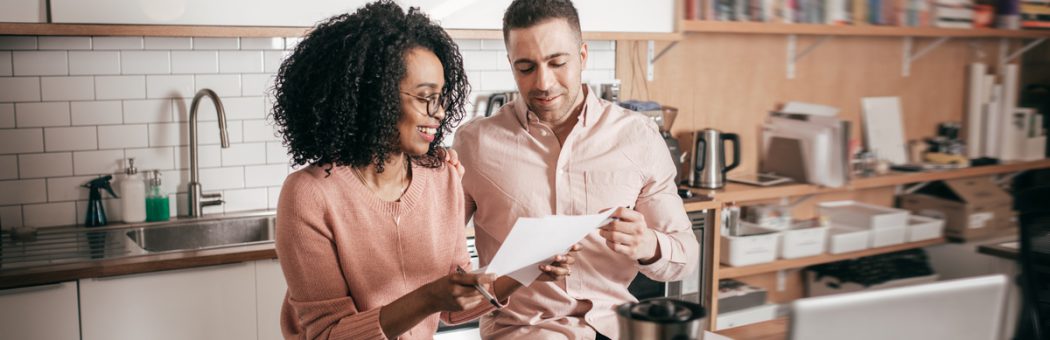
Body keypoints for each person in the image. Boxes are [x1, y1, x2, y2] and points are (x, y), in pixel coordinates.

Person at [271, 2, 577, 339]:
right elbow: (327, 334)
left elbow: (454, 300)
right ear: (374, 96)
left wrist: (528, 270)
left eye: (442, 96)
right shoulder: (310, 195)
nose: (441, 111)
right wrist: (428, 297)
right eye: (425, 97)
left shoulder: (440, 177)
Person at [451, 0, 701, 338]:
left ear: (582, 56)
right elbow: (443, 262)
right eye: (526, 68)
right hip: (526, 330)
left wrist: (648, 245)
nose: (543, 83)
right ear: (511, 65)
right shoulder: (475, 144)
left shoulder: (637, 136)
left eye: (557, 63)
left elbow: (686, 256)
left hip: (616, 328)